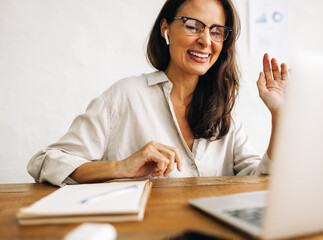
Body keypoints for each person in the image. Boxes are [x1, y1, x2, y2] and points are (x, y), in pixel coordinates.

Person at [28, 0, 288, 187]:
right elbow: (46, 162)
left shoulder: (223, 110)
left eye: (216, 31)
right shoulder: (124, 96)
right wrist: (121, 167)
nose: (206, 40)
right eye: (193, 26)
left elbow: (259, 183)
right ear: (166, 29)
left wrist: (280, 117)